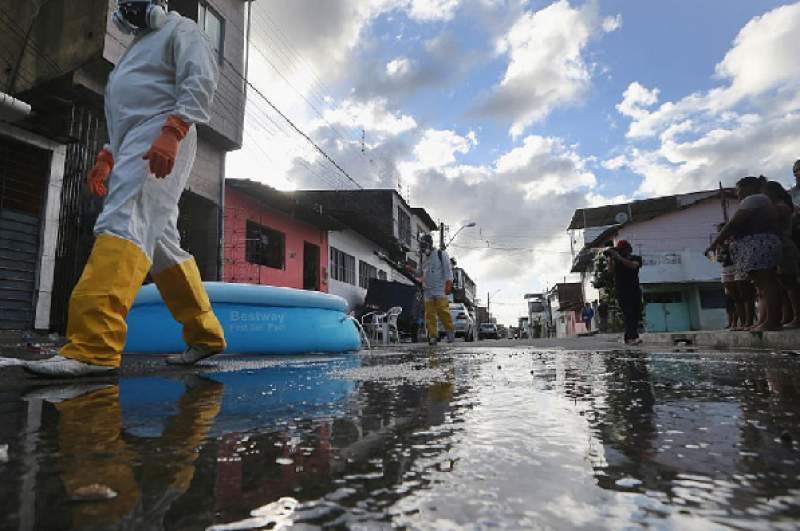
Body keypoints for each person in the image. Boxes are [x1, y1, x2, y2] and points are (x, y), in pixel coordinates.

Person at [25, 0, 225, 377]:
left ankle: (93, 346)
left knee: (124, 218)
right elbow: (123, 114)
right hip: (138, 137)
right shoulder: (137, 48)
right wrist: (107, 155)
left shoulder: (182, 29)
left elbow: (200, 79)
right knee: (162, 242)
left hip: (161, 132)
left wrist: (174, 130)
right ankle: (206, 335)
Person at [707, 176, 782, 332]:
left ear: (749, 187)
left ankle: (773, 321)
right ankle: (765, 320)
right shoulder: (759, 200)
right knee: (761, 286)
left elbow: (733, 223)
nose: (737, 193)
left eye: (739, 189)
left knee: (766, 283)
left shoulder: (755, 199)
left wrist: (715, 243)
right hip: (756, 244)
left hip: (760, 243)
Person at [762, 180, 800, 328]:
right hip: (779, 247)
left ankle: (797, 317)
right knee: (784, 284)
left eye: (765, 193)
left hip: (784, 247)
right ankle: (788, 316)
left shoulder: (780, 208)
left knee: (790, 283)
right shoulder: (779, 207)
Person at [417, 234, 455, 345]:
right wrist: (409, 269)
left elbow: (448, 270)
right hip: (427, 290)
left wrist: (448, 284)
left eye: (425, 246)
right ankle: (433, 336)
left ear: (430, 244)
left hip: (440, 289)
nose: (423, 249)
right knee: (429, 315)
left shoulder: (441, 254)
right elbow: (419, 272)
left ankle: (450, 331)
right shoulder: (422, 257)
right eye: (422, 247)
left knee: (443, 311)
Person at [606, 240, 643, 345]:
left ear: (628, 249)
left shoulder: (636, 258)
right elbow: (610, 271)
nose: (623, 252)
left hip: (634, 290)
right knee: (628, 313)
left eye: (624, 250)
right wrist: (610, 258)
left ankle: (630, 337)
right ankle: (632, 338)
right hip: (622, 291)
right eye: (621, 250)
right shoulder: (616, 261)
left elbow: (632, 265)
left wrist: (618, 257)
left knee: (635, 314)